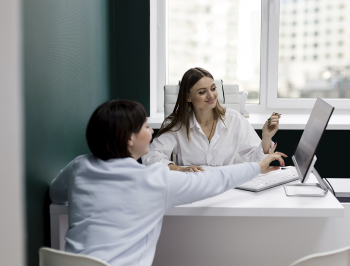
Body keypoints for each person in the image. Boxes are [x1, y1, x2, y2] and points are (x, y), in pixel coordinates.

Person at [49, 100, 286, 266]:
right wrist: (257, 167)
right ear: (130, 138)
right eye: (144, 126)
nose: (151, 131)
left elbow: (55, 194)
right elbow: (215, 179)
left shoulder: (78, 167)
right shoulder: (154, 180)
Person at [141, 67, 282, 172]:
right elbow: (150, 157)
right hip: (192, 186)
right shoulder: (176, 124)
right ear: (188, 97)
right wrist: (179, 169)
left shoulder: (234, 119)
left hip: (227, 186)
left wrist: (266, 138)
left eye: (213, 88)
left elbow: (256, 160)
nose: (211, 96)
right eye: (202, 92)